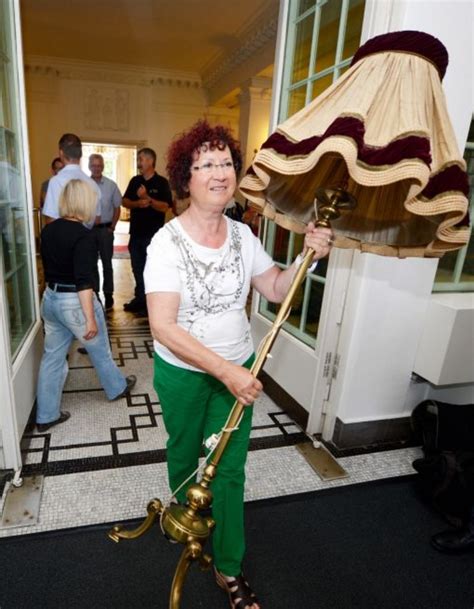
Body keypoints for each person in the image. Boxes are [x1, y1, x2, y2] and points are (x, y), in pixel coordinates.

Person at [144, 120, 333, 609]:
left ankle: (229, 567)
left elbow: (273, 287)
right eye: (206, 164)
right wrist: (225, 371)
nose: (220, 172)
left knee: (228, 472)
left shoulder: (243, 235)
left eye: (226, 162)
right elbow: (163, 326)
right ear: (186, 178)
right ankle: (188, 519)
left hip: (237, 370)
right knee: (185, 456)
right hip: (186, 374)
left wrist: (306, 257)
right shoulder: (166, 244)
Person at [36, 180, 136, 432]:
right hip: (75, 303)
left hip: (50, 298)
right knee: (99, 349)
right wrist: (90, 319)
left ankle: (46, 415)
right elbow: (84, 281)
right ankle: (117, 388)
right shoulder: (84, 235)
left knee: (52, 357)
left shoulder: (48, 230)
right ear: (84, 203)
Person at [122, 147, 172, 315]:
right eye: (138, 159)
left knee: (151, 269)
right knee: (137, 267)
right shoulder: (135, 180)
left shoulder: (162, 183)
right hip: (135, 234)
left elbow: (165, 207)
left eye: (141, 159)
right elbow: (125, 201)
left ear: (151, 161)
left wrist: (147, 199)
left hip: (154, 236)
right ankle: (140, 299)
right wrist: (137, 204)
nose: (139, 163)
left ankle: (150, 304)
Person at [42, 133, 102, 227]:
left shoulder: (56, 182)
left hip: (62, 239)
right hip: (86, 238)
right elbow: (97, 220)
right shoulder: (93, 184)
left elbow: (51, 220)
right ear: (80, 154)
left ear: (61, 153)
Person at [89, 153, 122, 310]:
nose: (96, 168)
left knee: (107, 263)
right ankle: (95, 293)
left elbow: (117, 207)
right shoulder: (83, 185)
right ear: (89, 166)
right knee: (91, 263)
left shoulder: (111, 185)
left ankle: (108, 293)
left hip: (105, 230)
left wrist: (112, 227)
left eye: (99, 165)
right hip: (88, 231)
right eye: (93, 165)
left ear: (103, 167)